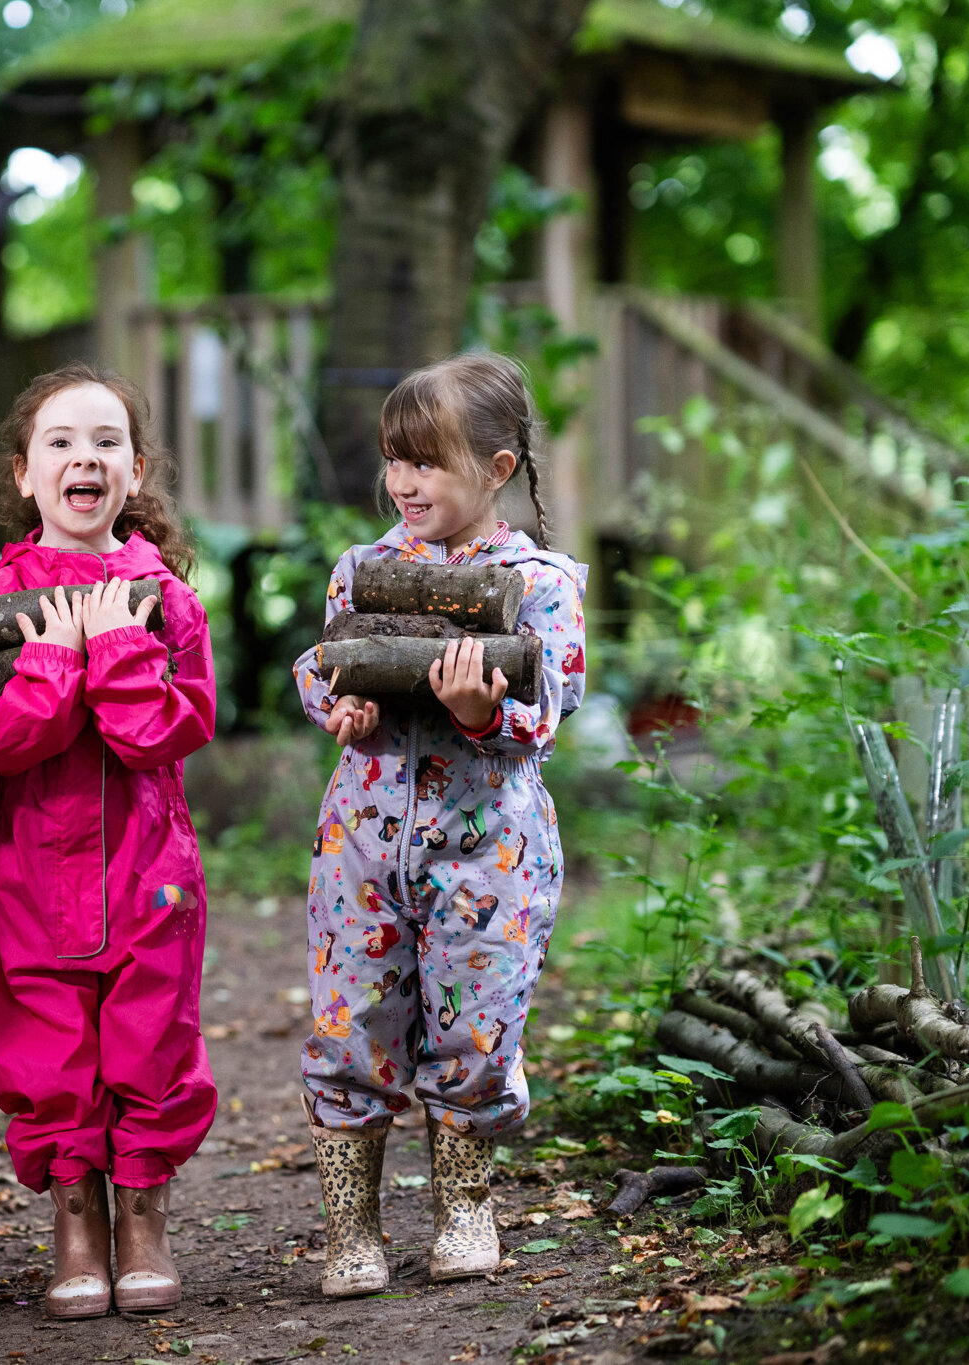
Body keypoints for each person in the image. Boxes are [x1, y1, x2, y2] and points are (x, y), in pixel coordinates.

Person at [292, 351, 588, 1296]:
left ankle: (464, 1205)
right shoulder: (365, 569)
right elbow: (322, 663)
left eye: (427, 461)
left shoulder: (538, 583)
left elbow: (553, 704)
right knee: (354, 1019)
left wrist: (478, 715)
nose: (405, 481)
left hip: (487, 851)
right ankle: (353, 1227)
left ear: (498, 470)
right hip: (363, 850)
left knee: (477, 1020)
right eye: (395, 459)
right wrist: (339, 707)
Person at [0, 362, 218, 1319]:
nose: (85, 458)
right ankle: (75, 1220)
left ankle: (143, 1219)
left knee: (150, 1032)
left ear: (136, 472)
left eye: (107, 442)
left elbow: (163, 732)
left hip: (152, 870)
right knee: (46, 1039)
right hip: (32, 865)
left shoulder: (166, 599)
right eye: (60, 442)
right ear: (23, 474)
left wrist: (111, 647)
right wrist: (54, 661)